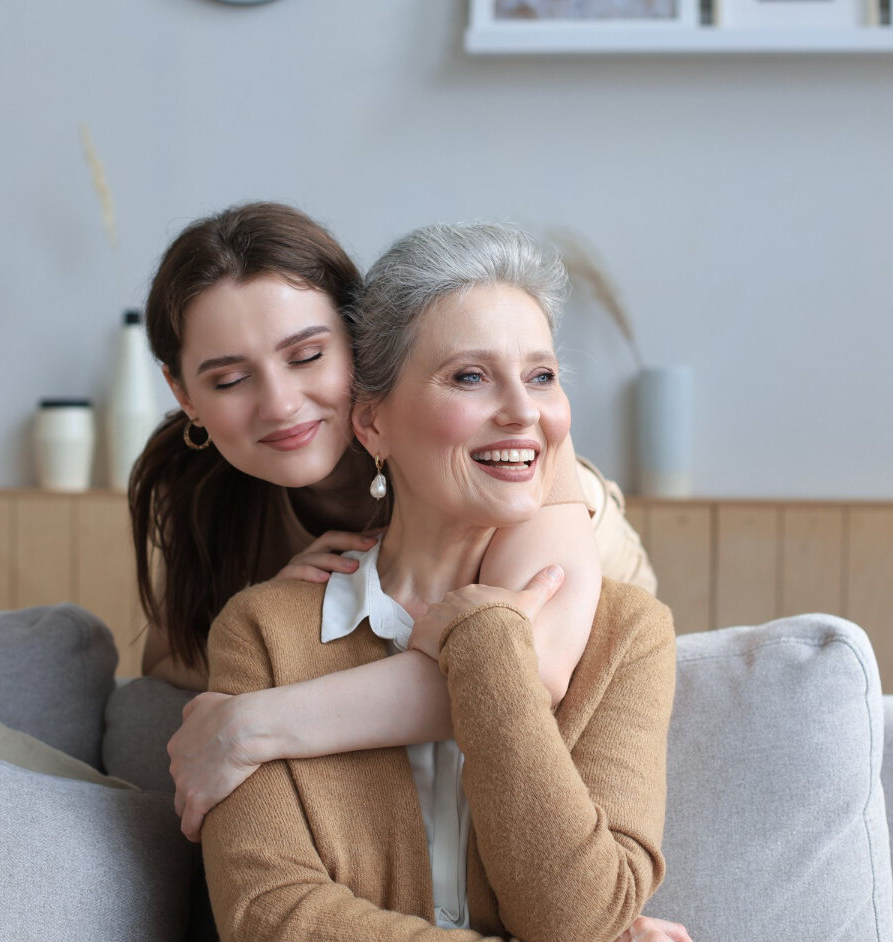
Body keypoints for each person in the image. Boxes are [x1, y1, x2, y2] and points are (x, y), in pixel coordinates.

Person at [199, 221, 701, 942]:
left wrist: (485, 634)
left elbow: (576, 919)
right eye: (469, 377)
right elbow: (275, 928)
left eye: (541, 377)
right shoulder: (263, 631)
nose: (522, 413)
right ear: (371, 423)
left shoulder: (629, 635)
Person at [129, 202, 658, 840]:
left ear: (361, 341)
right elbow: (167, 654)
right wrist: (269, 621)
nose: (280, 403)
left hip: (600, 711)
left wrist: (253, 724)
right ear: (183, 392)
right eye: (232, 379)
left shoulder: (509, 447)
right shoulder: (202, 484)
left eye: (307, 356)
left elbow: (523, 673)